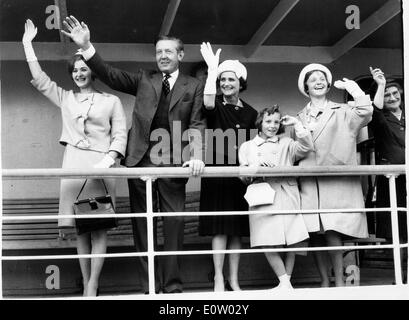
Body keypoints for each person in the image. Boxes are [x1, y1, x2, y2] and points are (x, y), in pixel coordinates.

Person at [61, 16, 206, 294]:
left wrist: (197, 154)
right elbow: (109, 74)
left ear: (180, 54)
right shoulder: (144, 79)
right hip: (139, 161)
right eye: (159, 52)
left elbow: (197, 122)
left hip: (174, 163)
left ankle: (173, 289)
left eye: (168, 51)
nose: (163, 56)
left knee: (174, 225)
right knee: (143, 226)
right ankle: (150, 288)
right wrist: (87, 46)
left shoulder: (193, 85)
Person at [22, 19, 127, 296]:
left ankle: (94, 283)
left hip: (101, 167)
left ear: (92, 72)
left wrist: (110, 158)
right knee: (80, 231)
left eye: (84, 69)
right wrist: (27, 45)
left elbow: (119, 135)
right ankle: (85, 282)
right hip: (73, 166)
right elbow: (42, 81)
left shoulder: (110, 101)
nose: (79, 74)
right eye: (75, 70)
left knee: (99, 229)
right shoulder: (66, 98)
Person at [295, 63, 373, 287]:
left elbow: (366, 113)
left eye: (322, 78)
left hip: (335, 182)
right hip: (310, 183)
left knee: (333, 232)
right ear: (306, 87)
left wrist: (356, 91)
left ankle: (339, 280)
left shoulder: (343, 111)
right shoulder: (298, 117)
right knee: (316, 235)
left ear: (328, 84)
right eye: (313, 79)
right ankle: (323, 281)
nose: (318, 82)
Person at [198, 43, 258, 291]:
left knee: (236, 231)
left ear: (240, 82)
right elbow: (208, 101)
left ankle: (234, 278)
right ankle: (219, 278)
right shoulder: (215, 106)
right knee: (219, 229)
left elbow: (255, 144)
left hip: (240, 177)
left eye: (230, 79)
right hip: (216, 174)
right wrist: (212, 71)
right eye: (222, 80)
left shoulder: (252, 113)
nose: (226, 84)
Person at [239, 106, 312, 290]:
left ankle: (285, 284)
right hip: (261, 196)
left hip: (287, 193)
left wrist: (297, 125)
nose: (272, 126)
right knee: (265, 240)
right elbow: (242, 176)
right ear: (260, 123)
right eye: (268, 121)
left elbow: (306, 147)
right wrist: (256, 167)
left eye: (276, 122)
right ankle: (285, 282)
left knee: (293, 239)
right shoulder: (248, 146)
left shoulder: (287, 142)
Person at [369, 67, 407, 266]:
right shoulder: (381, 117)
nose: (392, 98)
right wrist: (381, 84)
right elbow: (373, 109)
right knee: (398, 229)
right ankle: (401, 275)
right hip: (394, 180)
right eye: (386, 94)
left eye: (395, 93)